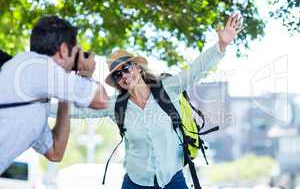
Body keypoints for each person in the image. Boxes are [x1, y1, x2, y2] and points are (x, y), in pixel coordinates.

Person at [54, 14, 242, 188]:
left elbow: (196, 70)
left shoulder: (168, 88)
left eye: (126, 68)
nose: (124, 76)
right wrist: (37, 106)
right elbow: (79, 111)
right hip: (136, 182)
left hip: (172, 179)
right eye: (118, 75)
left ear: (137, 67)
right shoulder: (116, 106)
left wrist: (221, 45)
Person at [0, 15, 109, 173]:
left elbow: (55, 152)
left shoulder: (35, 96)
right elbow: (101, 100)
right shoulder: (35, 66)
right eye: (76, 51)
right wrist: (86, 73)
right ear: (64, 50)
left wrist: (66, 97)